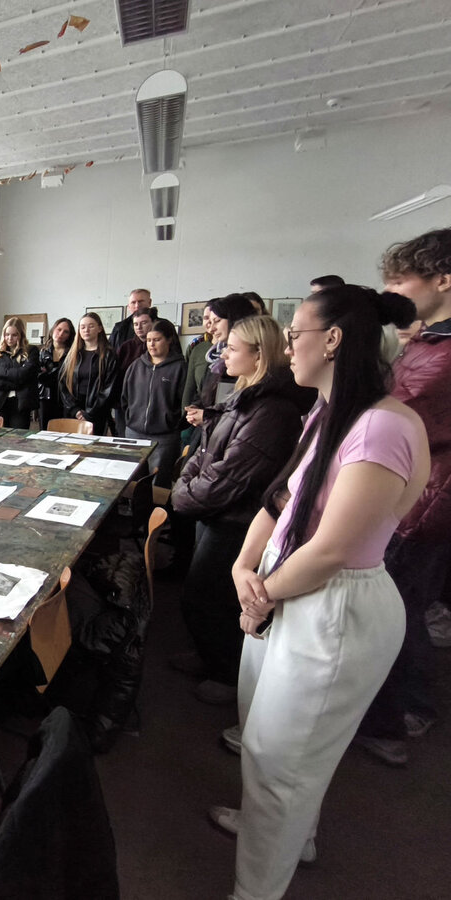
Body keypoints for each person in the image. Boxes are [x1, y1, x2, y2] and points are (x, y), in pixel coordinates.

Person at [211, 286, 428, 900]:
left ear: (333, 340)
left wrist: (261, 594)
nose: (287, 349)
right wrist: (244, 565)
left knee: (283, 761)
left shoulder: (381, 425)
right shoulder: (329, 412)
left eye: (295, 335)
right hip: (288, 590)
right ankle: (286, 834)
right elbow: (281, 502)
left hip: (332, 607)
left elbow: (333, 549)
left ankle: (255, 889)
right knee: (265, 738)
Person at [170, 316, 307, 705]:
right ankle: (208, 657)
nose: (223, 355)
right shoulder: (246, 394)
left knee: (210, 599)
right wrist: (186, 483)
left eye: (232, 348)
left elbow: (229, 477)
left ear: (258, 355)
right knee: (204, 596)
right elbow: (204, 452)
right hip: (218, 513)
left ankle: (227, 674)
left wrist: (181, 495)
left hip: (237, 521)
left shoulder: (272, 410)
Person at [356, 228, 451, 765]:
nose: (391, 291)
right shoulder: (429, 342)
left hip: (424, 504)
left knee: (396, 610)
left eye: (399, 280)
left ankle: (398, 716)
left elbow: (390, 410)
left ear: (443, 279)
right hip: (415, 494)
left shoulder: (441, 356)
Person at [120, 318, 185, 485]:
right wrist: (131, 418)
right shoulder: (136, 366)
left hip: (164, 438)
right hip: (134, 433)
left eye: (157, 340)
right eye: (149, 340)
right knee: (132, 481)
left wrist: (172, 422)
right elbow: (125, 398)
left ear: (169, 340)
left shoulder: (180, 368)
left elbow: (184, 402)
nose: (151, 344)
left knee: (158, 484)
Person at [184, 293, 259, 432]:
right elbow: (205, 395)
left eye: (217, 321)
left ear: (235, 319)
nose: (211, 328)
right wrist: (197, 407)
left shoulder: (247, 365)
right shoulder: (215, 359)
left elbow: (241, 416)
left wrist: (206, 416)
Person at [60, 312, 117, 434]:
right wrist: (74, 410)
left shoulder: (108, 355)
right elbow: (62, 383)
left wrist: (90, 413)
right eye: (82, 327)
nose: (86, 330)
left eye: (91, 326)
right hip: (74, 411)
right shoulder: (72, 354)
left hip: (97, 412)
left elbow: (109, 388)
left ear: (99, 328)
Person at [0, 317, 38, 428]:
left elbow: (24, 374)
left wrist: (1, 371)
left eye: (14, 335)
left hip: (21, 402)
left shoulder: (31, 351)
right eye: (7, 334)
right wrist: (13, 384)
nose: (10, 338)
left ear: (21, 335)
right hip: (1, 401)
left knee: (17, 435)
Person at [112, 308, 153, 436]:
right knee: (124, 440)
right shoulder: (126, 347)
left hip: (152, 405)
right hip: (126, 404)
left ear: (153, 323)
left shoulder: (160, 347)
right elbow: (116, 377)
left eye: (144, 323)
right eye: (135, 324)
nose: (139, 327)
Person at [37, 317, 74, 428]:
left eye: (66, 332)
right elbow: (39, 376)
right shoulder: (43, 352)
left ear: (69, 335)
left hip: (65, 397)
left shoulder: (72, 353)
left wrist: (49, 372)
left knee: (64, 429)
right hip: (45, 396)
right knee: (45, 430)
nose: (61, 333)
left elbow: (69, 376)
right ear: (53, 329)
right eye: (59, 329)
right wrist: (58, 371)